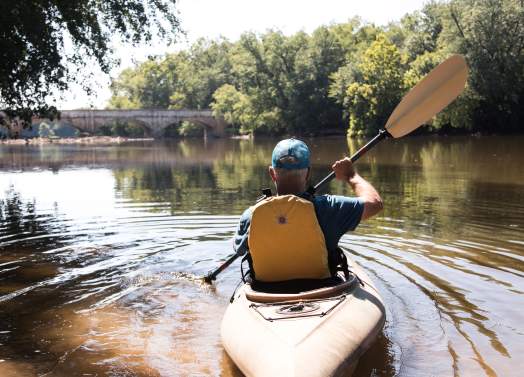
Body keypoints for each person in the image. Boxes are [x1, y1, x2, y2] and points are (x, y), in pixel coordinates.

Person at [233, 138, 383, 285]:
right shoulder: (329, 208)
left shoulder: (251, 216)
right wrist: (351, 176)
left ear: (272, 173)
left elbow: (240, 250)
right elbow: (375, 204)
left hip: (264, 293)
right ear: (308, 173)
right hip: (322, 290)